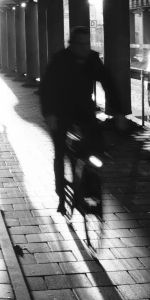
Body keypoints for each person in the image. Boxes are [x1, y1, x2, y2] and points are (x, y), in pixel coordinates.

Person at [40, 26, 127, 214]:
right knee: (60, 149)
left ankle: (90, 183)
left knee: (96, 143)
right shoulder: (60, 60)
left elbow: (108, 83)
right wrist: (49, 114)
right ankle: (61, 190)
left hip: (83, 108)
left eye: (87, 43)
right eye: (80, 44)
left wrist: (119, 113)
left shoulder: (93, 60)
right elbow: (47, 88)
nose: (84, 48)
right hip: (60, 109)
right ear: (71, 44)